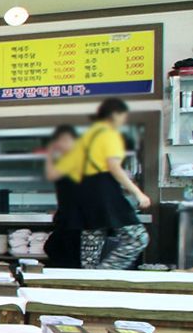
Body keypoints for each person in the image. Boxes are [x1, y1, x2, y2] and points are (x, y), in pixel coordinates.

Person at [72, 98, 152, 269]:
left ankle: (91, 279)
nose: (124, 120)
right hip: (104, 193)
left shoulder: (89, 135)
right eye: (123, 116)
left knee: (91, 252)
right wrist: (138, 193)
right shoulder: (109, 134)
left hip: (85, 194)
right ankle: (104, 274)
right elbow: (113, 167)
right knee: (138, 239)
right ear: (115, 114)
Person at [42, 124, 83, 269]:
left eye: (66, 140)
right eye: (59, 140)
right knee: (55, 249)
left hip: (76, 219)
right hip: (67, 216)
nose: (62, 144)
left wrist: (49, 153)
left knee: (58, 250)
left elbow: (51, 174)